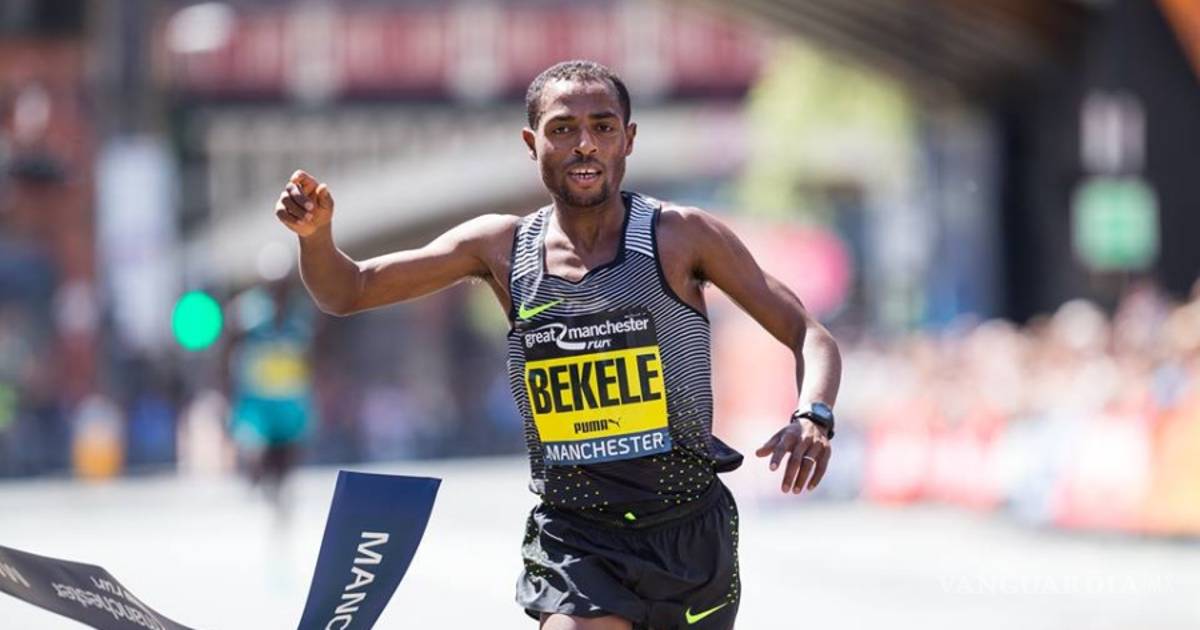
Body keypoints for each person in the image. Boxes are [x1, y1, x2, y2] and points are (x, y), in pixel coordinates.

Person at [274, 60, 841, 630]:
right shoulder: (500, 247)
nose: (585, 144)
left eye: (603, 127)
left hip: (687, 532)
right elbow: (348, 290)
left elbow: (809, 335)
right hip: (576, 535)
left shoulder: (681, 237)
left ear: (629, 139)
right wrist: (316, 238)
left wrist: (812, 415)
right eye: (563, 129)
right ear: (532, 143)